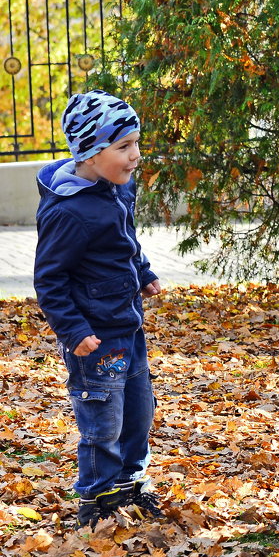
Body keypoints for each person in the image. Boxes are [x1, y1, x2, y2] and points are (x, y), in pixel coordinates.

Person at [33, 90, 166, 528]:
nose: (136, 156)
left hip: (128, 327)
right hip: (95, 338)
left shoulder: (115, 192)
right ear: (90, 153)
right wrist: (73, 331)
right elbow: (50, 279)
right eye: (124, 147)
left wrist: (143, 273)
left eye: (137, 144)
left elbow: (126, 244)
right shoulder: (70, 213)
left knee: (138, 412)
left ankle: (129, 482)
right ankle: (97, 497)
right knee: (102, 420)